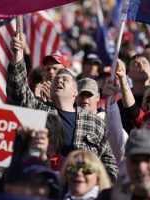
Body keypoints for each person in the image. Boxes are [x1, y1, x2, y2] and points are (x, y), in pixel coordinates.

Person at [7, 33, 118, 181]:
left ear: (75, 92)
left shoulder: (94, 122)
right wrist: (18, 56)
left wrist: (100, 186)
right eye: (56, 81)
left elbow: (109, 164)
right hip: (44, 185)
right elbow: (18, 93)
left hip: (81, 187)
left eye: (65, 79)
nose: (59, 80)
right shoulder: (40, 110)